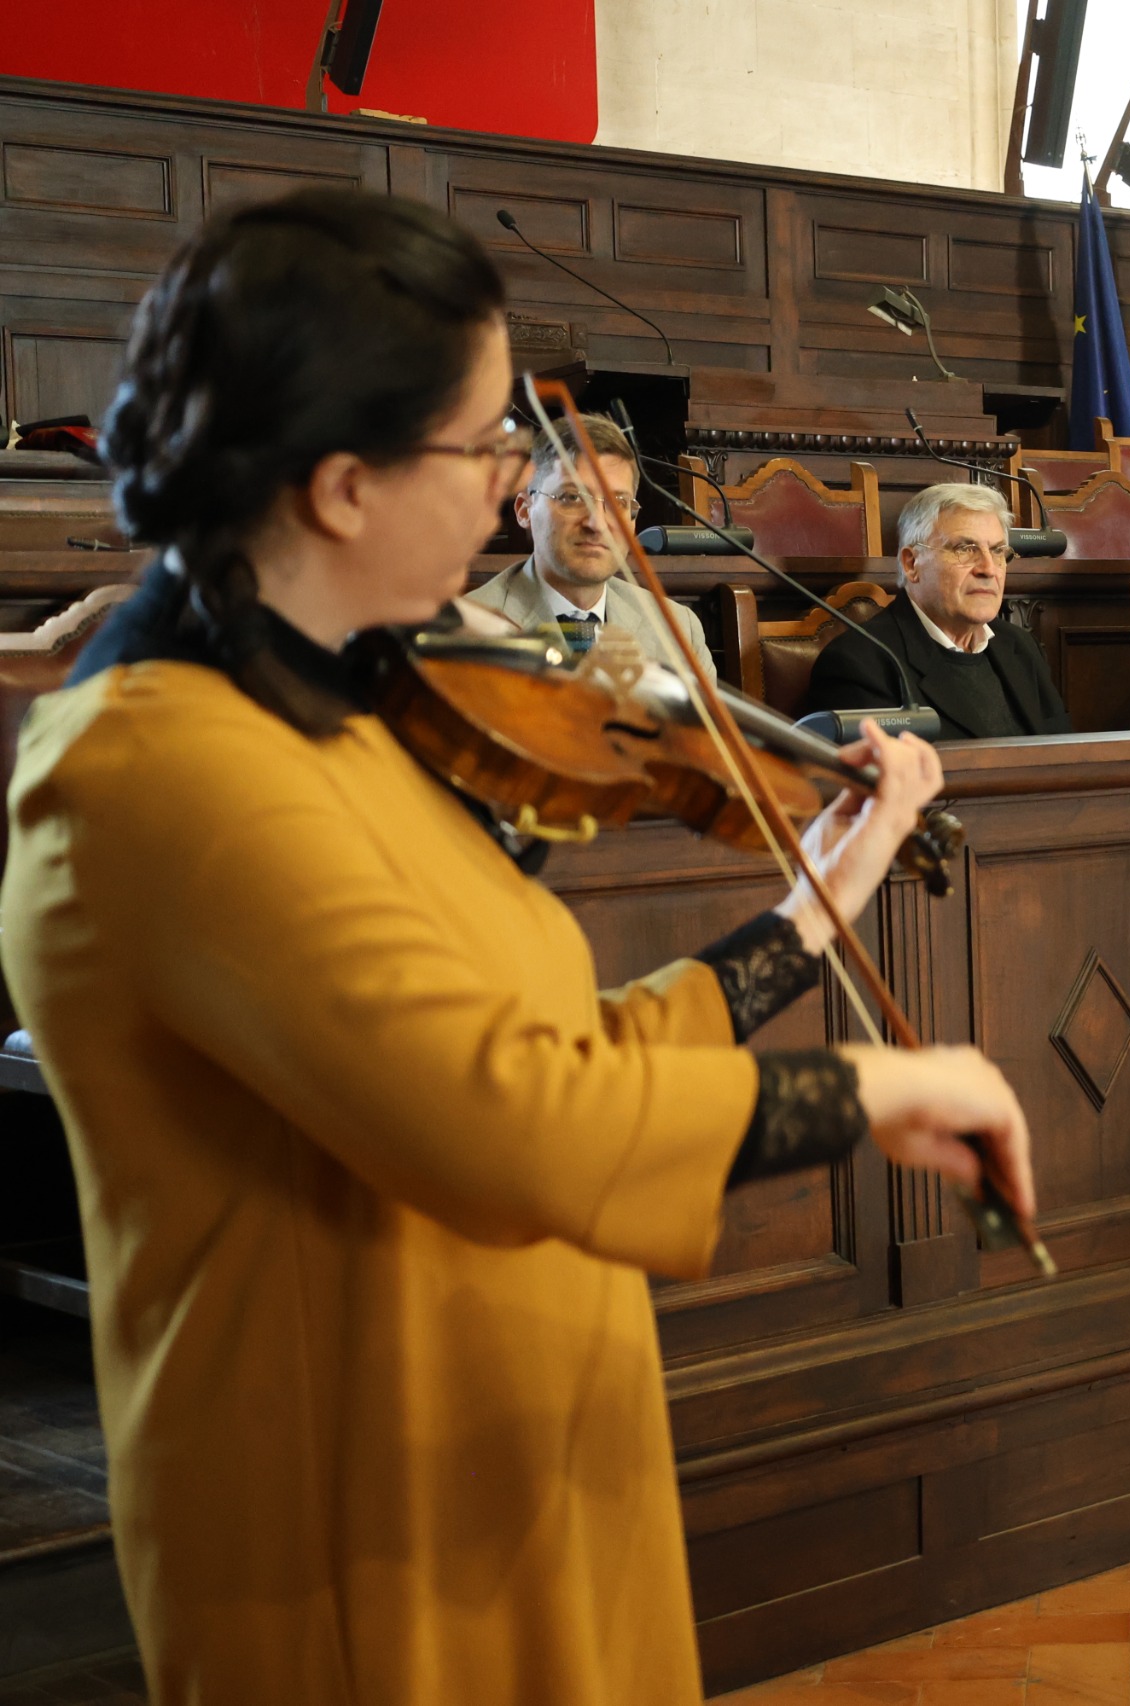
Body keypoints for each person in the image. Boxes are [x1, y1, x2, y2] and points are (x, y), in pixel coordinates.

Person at [0, 188, 1035, 1705]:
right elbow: (508, 1119)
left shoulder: (345, 717)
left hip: (533, 1461)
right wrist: (867, 1094)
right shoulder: (155, 772)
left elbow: (559, 1054)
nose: (513, 490)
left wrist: (815, 902)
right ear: (343, 482)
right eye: (486, 445)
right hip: (366, 1539)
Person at [802, 482, 1072, 736]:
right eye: (965, 549)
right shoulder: (860, 664)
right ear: (911, 564)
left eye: (998, 551)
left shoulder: (1020, 646)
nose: (989, 569)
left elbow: (1065, 761)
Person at [464, 412, 718, 670]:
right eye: (571, 497)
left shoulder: (678, 629)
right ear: (524, 510)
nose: (596, 524)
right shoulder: (467, 632)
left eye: (618, 502)